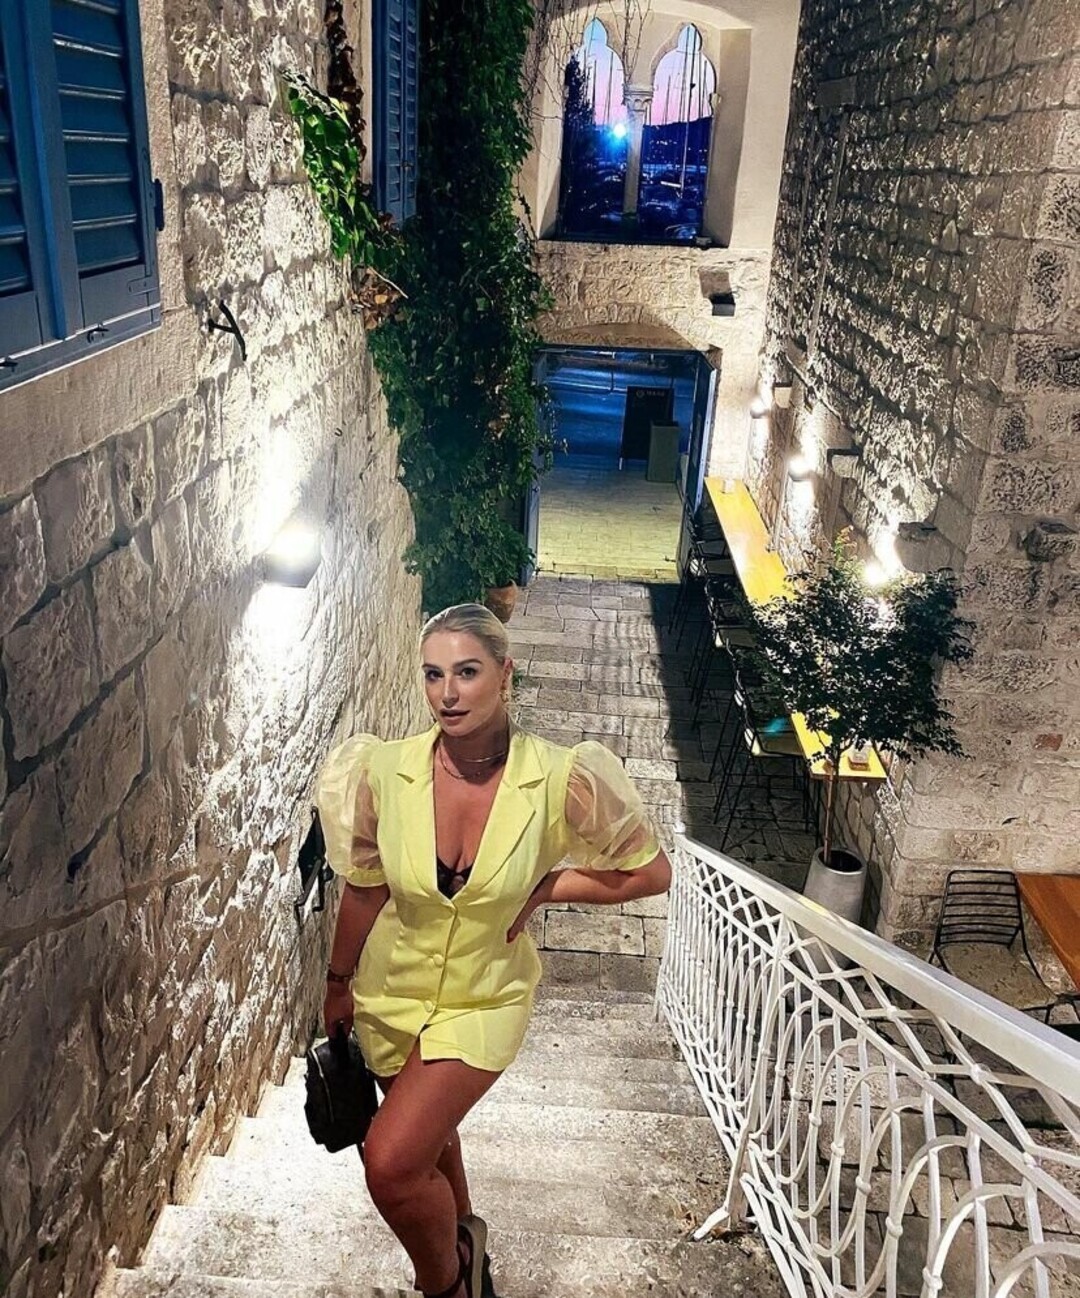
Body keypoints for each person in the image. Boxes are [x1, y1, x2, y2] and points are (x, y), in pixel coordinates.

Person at [315, 602, 671, 1298]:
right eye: (434, 675)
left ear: (505, 675)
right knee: (431, 1141)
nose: (447, 693)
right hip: (392, 991)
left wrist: (551, 885)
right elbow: (365, 888)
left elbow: (649, 872)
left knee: (390, 1164)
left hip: (485, 998)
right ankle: (467, 1240)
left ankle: (447, 1283)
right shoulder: (383, 770)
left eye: (467, 672)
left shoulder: (562, 778)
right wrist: (337, 982)